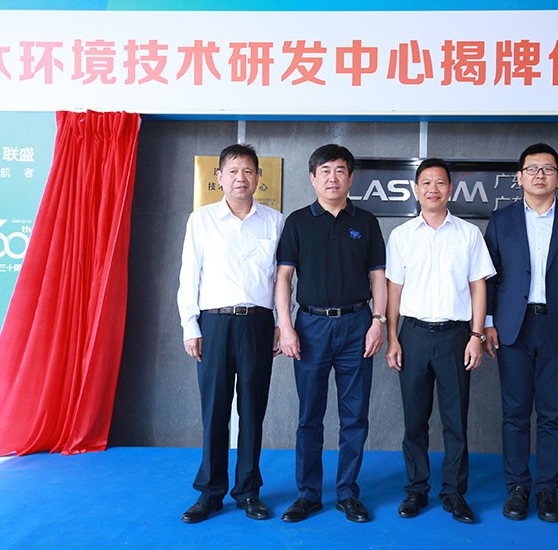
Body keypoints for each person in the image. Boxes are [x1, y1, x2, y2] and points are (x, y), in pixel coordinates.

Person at [484, 143, 558, 523]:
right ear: (519, 177)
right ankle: (518, 487)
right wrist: (487, 323)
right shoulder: (500, 221)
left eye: (547, 169)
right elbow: (488, 278)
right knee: (515, 413)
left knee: (552, 413)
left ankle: (548, 489)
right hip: (512, 329)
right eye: (532, 169)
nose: (539, 175)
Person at [275, 144, 387, 524]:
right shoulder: (297, 222)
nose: (332, 177)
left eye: (340, 170)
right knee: (310, 415)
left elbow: (378, 277)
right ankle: (307, 494)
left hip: (357, 324)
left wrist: (378, 321)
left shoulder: (366, 222)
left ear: (351, 177)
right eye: (325, 171)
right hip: (310, 326)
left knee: (355, 416)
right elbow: (284, 278)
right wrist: (286, 326)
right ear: (313, 177)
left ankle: (347, 493)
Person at [177, 143, 284, 523]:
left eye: (248, 171)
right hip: (215, 324)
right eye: (233, 171)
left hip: (258, 323)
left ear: (258, 177)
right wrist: (190, 325)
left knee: (253, 410)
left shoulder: (275, 222)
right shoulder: (201, 220)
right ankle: (210, 492)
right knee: (215, 410)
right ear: (220, 177)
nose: (241, 178)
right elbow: (189, 275)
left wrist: (280, 323)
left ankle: (248, 492)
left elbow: (283, 279)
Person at [385, 158, 496, 524]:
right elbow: (393, 291)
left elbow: (478, 286)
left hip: (455, 337)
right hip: (413, 336)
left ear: (451, 189)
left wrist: (476, 336)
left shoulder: (468, 234)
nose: (433, 189)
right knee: (415, 420)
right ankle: (416, 490)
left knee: (455, 420)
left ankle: (454, 493)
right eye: (426, 183)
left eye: (440, 183)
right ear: (416, 190)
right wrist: (392, 338)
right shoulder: (402, 236)